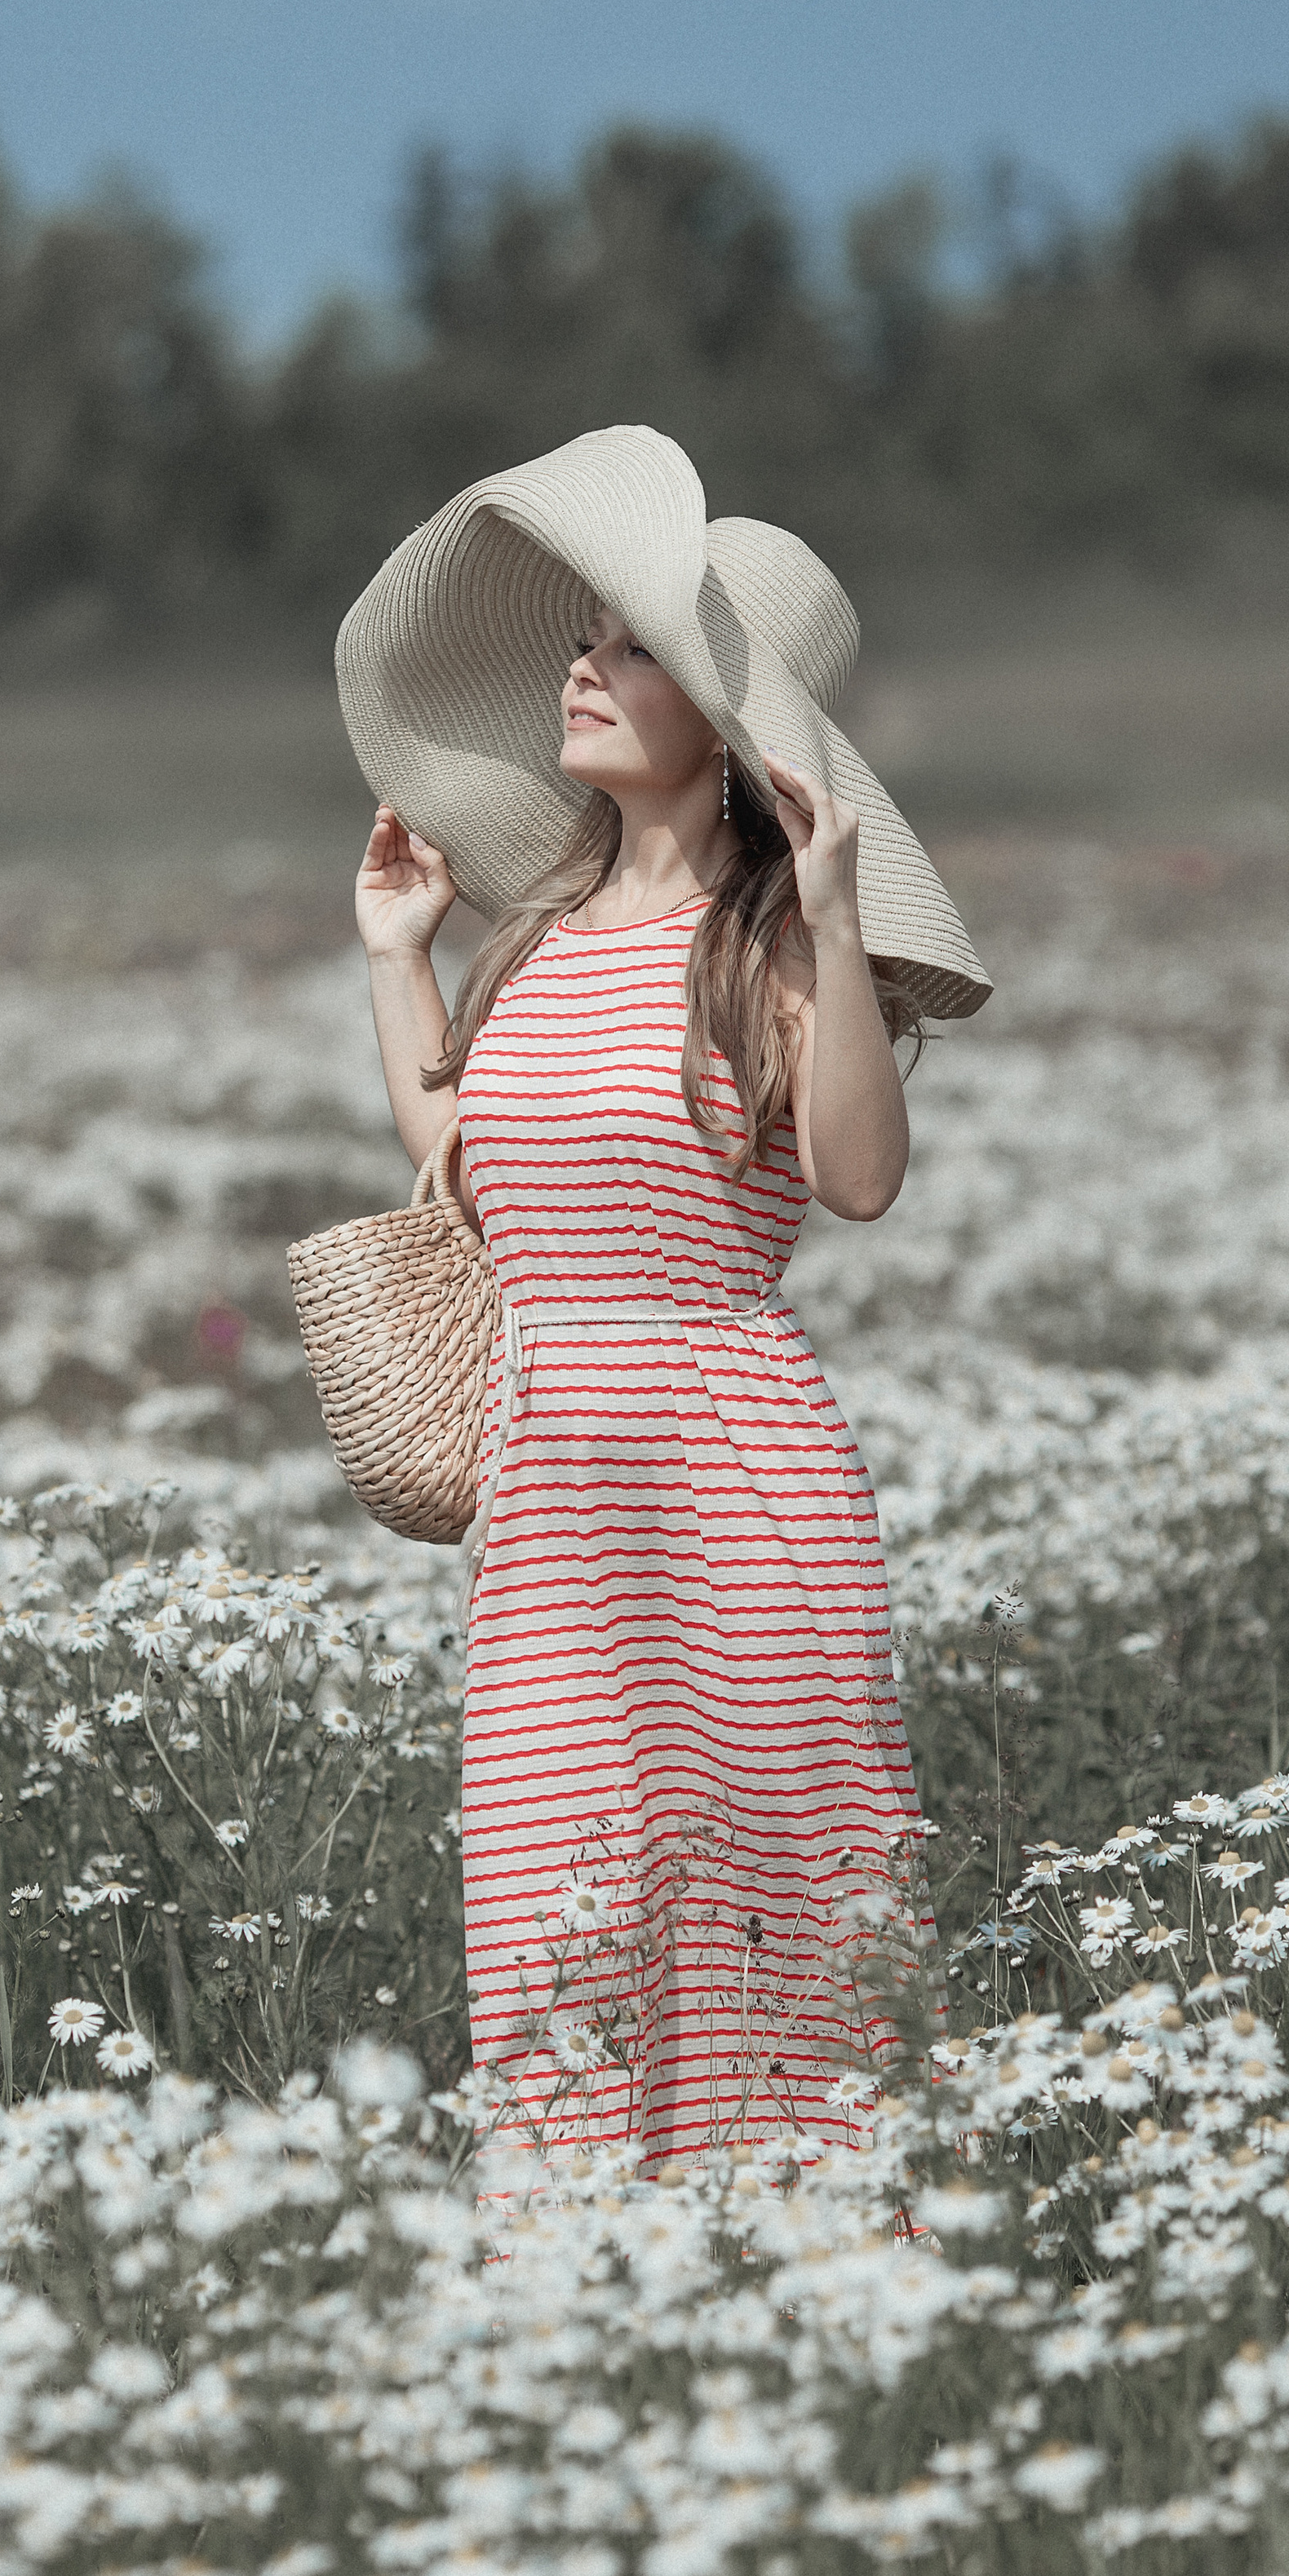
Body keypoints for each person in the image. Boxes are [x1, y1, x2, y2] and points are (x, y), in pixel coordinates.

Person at [338, 426, 989, 2170]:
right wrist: (398, 962)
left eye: (631, 647)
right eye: (582, 639)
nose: (582, 665)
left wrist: (838, 925)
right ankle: (581, 2314)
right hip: (553, 1481)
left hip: (729, 1460)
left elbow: (856, 1180)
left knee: (775, 1881)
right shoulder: (532, 935)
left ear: (725, 725)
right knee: (554, 1898)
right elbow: (472, 1169)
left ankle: (815, 2271)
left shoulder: (762, 946)